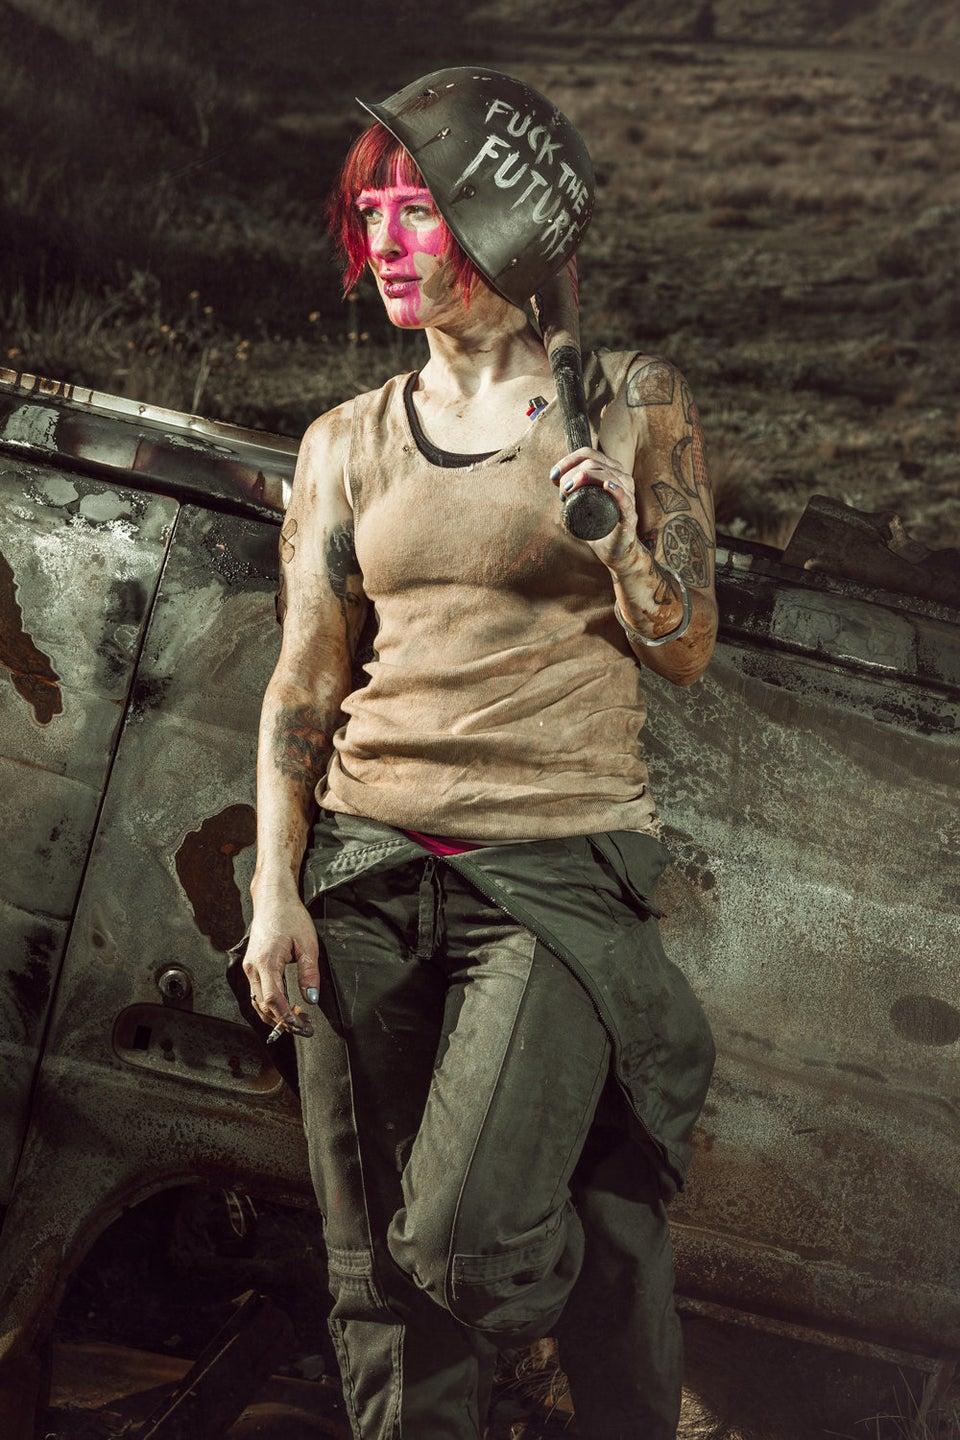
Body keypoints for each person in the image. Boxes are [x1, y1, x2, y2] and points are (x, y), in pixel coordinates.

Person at [234, 67, 717, 1440]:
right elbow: (304, 682)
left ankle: (601, 1287)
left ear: (504, 220)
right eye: (368, 212)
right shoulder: (344, 443)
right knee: (373, 1277)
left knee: (456, 1241)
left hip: (549, 872)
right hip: (367, 867)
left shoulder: (629, 403)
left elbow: (687, 645)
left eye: (416, 208)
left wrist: (623, 545)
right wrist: (275, 888)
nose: (383, 241)